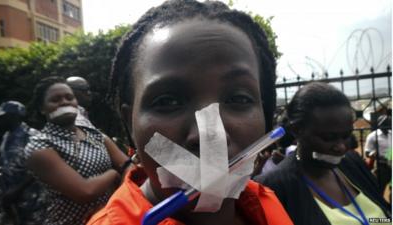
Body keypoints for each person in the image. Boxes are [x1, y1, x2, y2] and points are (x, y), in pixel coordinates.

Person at [87, 1, 293, 224]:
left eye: (238, 99)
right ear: (130, 124)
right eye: (167, 101)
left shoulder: (266, 201)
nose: (212, 137)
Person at [256, 82, 391, 225]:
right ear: (297, 130)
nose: (341, 147)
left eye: (346, 136)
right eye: (328, 138)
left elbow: (382, 218)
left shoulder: (352, 162)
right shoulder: (274, 188)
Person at [25, 76, 129, 225]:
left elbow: (126, 165)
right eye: (55, 99)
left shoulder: (94, 134)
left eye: (69, 97)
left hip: (109, 219)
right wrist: (113, 174)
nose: (64, 102)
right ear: (42, 109)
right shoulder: (40, 147)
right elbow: (85, 192)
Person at [0, 101, 45, 225]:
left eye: (3, 117)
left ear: (14, 117)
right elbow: (9, 162)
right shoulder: (7, 136)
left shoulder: (32, 136)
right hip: (8, 203)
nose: (0, 121)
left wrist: (17, 190)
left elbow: (42, 167)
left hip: (30, 202)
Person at [364, 114, 392, 192]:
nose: (388, 128)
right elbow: (367, 152)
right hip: (382, 167)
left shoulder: (391, 133)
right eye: (386, 125)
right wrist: (375, 154)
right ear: (380, 124)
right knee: (379, 189)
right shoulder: (372, 136)